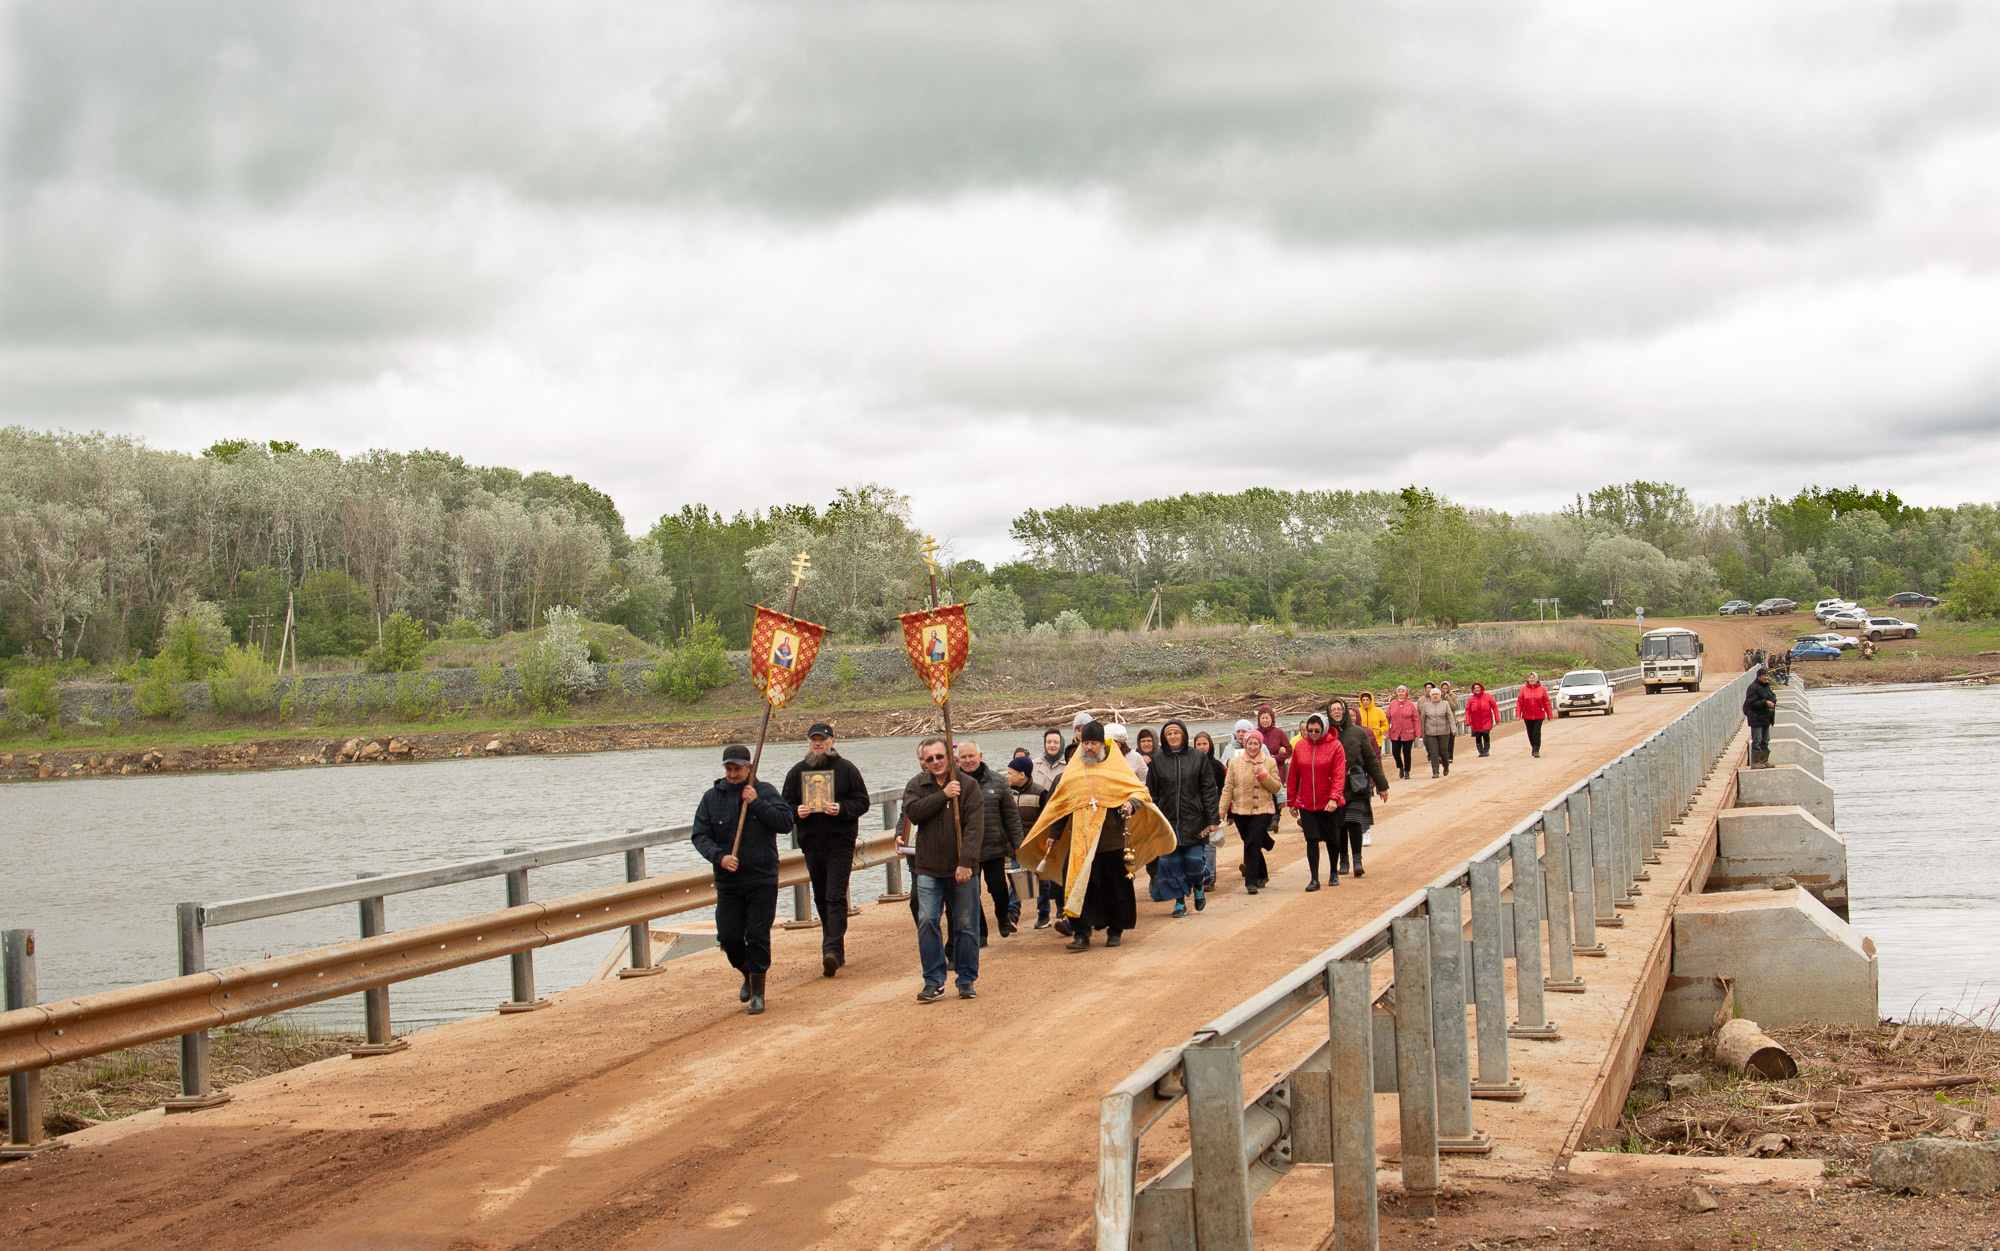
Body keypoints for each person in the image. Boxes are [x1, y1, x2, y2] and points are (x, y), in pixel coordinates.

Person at [1017, 721, 1174, 952]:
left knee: (1116, 887)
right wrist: (1054, 833)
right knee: (1080, 886)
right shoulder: (1074, 769)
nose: (1089, 747)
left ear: (1102, 744)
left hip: (1111, 840)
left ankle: (1115, 930)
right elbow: (1062, 803)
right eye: (1086, 743)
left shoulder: (1116, 766)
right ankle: (1081, 933)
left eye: (1093, 743)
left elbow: (1139, 791)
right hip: (1080, 840)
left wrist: (1131, 804)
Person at [692, 744, 796, 1016]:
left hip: (762, 878)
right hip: (729, 882)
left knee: (758, 934)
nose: (732, 774)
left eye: (737, 769)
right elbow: (700, 835)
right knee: (728, 936)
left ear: (749, 768)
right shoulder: (711, 798)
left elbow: (786, 823)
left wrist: (756, 802)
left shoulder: (765, 791)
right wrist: (720, 857)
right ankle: (747, 972)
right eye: (728, 769)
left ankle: (758, 993)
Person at [780, 722, 872, 978]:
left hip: (840, 843)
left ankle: (829, 949)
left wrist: (841, 809)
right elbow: (783, 807)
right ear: (808, 742)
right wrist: (796, 811)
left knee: (834, 895)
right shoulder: (796, 772)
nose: (818, 743)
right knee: (821, 897)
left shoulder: (846, 769)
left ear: (832, 741)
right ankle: (836, 950)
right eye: (814, 739)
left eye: (822, 739)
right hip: (811, 844)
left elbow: (863, 802)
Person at [900, 736, 986, 1002]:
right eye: (930, 759)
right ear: (924, 762)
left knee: (965, 924)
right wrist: (943, 795)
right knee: (927, 921)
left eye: (940, 756)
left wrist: (965, 863)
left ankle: (966, 979)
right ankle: (933, 980)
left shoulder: (968, 785)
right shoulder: (917, 785)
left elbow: (975, 828)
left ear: (950, 756)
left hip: (961, 868)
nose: (935, 762)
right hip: (928, 868)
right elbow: (913, 813)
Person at [1145, 719, 1220, 917]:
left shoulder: (1198, 757)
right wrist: (1153, 820)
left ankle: (1198, 886)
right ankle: (1179, 902)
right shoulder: (1158, 761)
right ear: (1164, 738)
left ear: (1184, 735)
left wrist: (1212, 819)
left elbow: (1209, 790)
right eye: (1169, 734)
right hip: (1168, 823)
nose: (1173, 737)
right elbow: (1152, 794)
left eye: (1176, 733)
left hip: (1195, 821)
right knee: (1172, 864)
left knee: (1194, 861)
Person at [956, 740, 1024, 943]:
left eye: (971, 756)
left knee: (998, 888)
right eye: (963, 757)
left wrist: (1018, 844)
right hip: (967, 851)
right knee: (971, 893)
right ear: (958, 760)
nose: (968, 760)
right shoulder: (954, 785)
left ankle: (1003, 916)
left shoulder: (998, 782)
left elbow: (1011, 816)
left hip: (994, 846)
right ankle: (981, 932)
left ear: (980, 756)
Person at [1286, 712, 1347, 890]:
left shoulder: (1335, 746)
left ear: (1324, 729)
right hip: (1307, 802)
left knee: (1332, 839)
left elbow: (1339, 774)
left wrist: (1334, 797)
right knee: (1311, 839)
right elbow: (1293, 775)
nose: (1313, 734)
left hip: (1328, 802)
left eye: (1316, 731)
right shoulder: (1300, 747)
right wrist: (1292, 801)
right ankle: (1314, 878)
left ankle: (1333, 871)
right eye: (1310, 730)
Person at [1330, 698, 1389, 879]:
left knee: (1354, 822)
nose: (1337, 712)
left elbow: (1371, 759)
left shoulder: (1358, 732)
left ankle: (1357, 860)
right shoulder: (1326, 733)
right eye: (1333, 709)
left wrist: (1381, 785)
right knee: (1339, 825)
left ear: (1345, 711)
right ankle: (1343, 860)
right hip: (1334, 787)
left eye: (1339, 709)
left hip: (1356, 785)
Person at [1218, 728, 1283, 893]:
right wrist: (1222, 810)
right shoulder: (1234, 762)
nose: (1253, 747)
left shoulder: (1269, 762)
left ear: (1260, 745)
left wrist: (1263, 775)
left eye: (1256, 744)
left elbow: (1276, 787)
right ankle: (1263, 869)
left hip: (1262, 810)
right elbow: (1228, 788)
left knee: (1252, 844)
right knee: (1251, 842)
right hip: (1241, 811)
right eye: (1250, 743)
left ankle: (1251, 882)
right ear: (1245, 744)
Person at [1192, 731, 1227, 892]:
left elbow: (1225, 788)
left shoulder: (1217, 766)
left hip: (1212, 810)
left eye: (1204, 744)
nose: (1202, 747)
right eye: (1198, 744)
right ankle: (1198, 874)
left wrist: (1224, 809)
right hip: (1194, 811)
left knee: (1210, 845)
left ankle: (1210, 876)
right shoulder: (1190, 765)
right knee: (1196, 844)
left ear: (1210, 745)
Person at [1419, 684, 1456, 778]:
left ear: (1440, 695)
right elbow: (1423, 720)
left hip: (1443, 731)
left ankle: (1446, 766)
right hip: (1430, 732)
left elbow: (1450, 717)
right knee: (1434, 752)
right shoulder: (1426, 705)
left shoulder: (1445, 704)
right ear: (1430, 696)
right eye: (1433, 694)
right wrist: (1422, 732)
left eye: (1437, 694)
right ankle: (1435, 771)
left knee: (1443, 751)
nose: (1435, 696)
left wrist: (1453, 729)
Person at [1743, 667, 1777, 767]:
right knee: (1757, 740)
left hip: (1766, 718)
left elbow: (1772, 697)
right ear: (1759, 676)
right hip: (1756, 719)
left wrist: (1772, 702)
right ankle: (1755, 762)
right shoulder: (1753, 688)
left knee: (1765, 740)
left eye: (1767, 675)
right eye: (1765, 676)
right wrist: (1765, 703)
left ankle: (1764, 761)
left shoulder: (1766, 686)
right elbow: (1751, 704)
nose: (1767, 677)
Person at [1385, 685, 1420, 780]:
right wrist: (1387, 731)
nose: (1401, 693)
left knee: (1407, 752)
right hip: (1395, 733)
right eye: (1399, 691)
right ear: (1396, 693)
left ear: (1406, 693)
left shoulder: (1410, 705)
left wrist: (1418, 732)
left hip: (1408, 733)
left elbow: (1416, 719)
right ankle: (1400, 767)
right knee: (1395, 752)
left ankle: (1407, 771)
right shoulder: (1392, 704)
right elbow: (1387, 718)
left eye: (1402, 691)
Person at [1517, 672, 1553, 759]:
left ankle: (1536, 749)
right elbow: (1520, 702)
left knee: (1536, 732)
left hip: (1539, 714)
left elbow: (1547, 702)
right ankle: (1533, 746)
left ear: (1536, 678)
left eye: (1533, 678)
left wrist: (1549, 714)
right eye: (1530, 678)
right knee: (1530, 732)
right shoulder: (1523, 690)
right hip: (1527, 714)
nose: (1531, 679)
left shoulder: (1542, 689)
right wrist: (1518, 714)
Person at [1463, 683, 1499, 758]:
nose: (1477, 689)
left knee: (1486, 734)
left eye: (1478, 688)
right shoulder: (1471, 699)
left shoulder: (1488, 696)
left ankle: (1486, 750)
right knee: (1478, 736)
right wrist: (1468, 721)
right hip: (1475, 721)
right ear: (1473, 690)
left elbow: (1495, 707)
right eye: (1475, 688)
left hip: (1486, 720)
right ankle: (1480, 751)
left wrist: (1497, 718)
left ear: (1481, 688)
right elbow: (1467, 710)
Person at [1034, 728, 1067, 793]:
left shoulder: (1068, 765)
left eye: (1056, 742)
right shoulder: (1034, 765)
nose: (1052, 745)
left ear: (1061, 744)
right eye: (1048, 742)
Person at [1437, 681, 1460, 763]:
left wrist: (1448, 698)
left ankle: (1450, 756)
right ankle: (1442, 756)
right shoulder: (1438, 696)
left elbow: (1454, 707)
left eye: (1446, 688)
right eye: (1443, 688)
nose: (1445, 690)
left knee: (1450, 740)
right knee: (1442, 740)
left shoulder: (1453, 696)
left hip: (1451, 720)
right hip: (1441, 720)